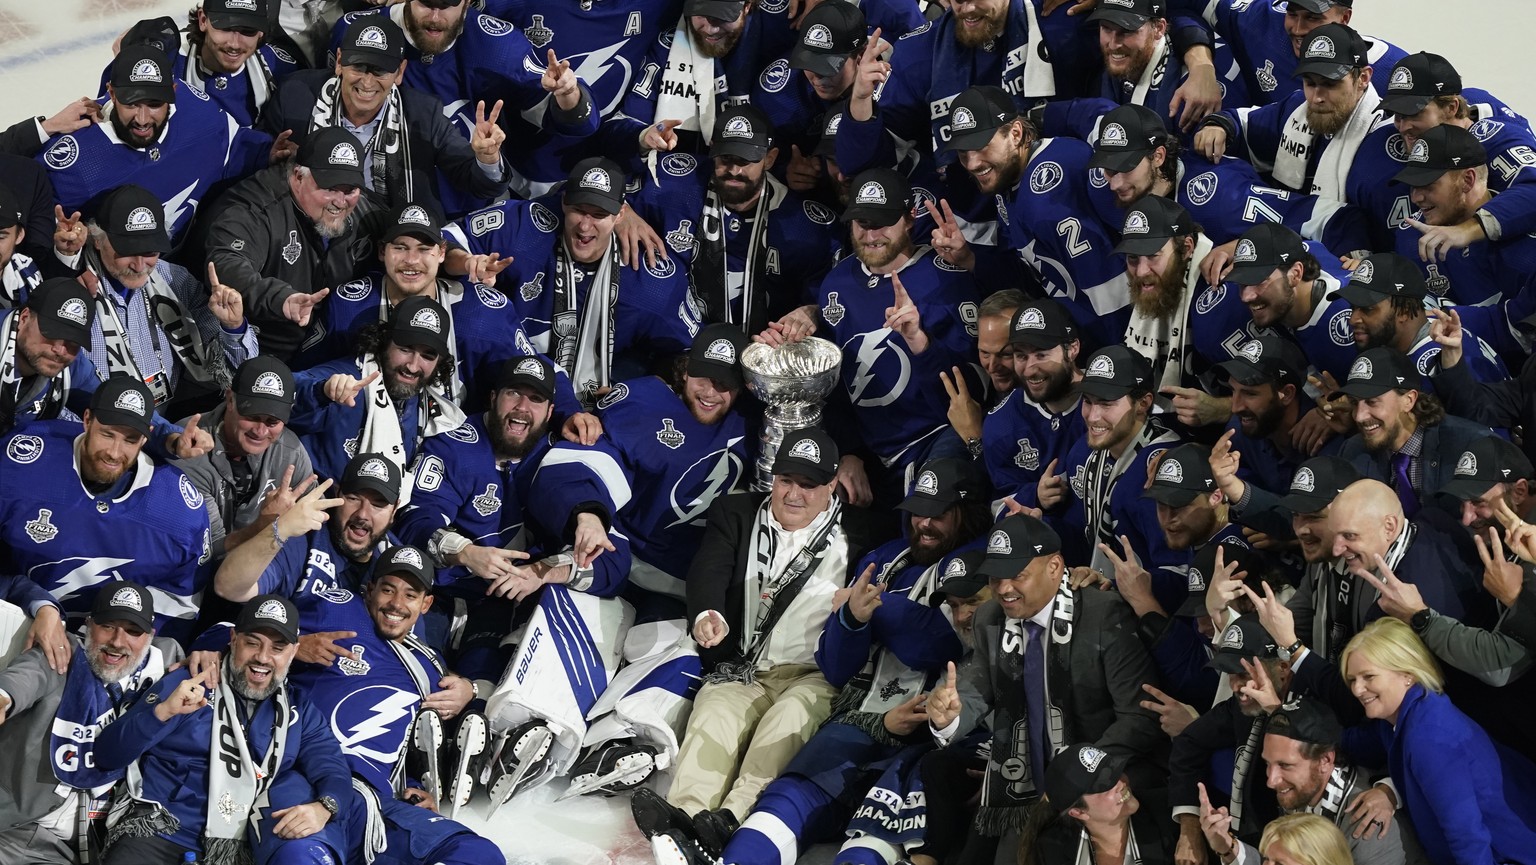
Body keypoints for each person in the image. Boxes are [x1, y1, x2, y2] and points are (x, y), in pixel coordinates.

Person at [690, 458, 982, 865]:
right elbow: (836, 666)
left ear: (965, 513)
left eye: (939, 514)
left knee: (872, 840)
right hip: (861, 717)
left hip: (932, 736)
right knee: (785, 800)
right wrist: (853, 618)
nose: (924, 524)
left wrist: (877, 610)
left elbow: (933, 645)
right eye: (918, 511)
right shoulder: (885, 556)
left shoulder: (979, 565)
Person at [663, 428, 876, 842]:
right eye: (786, 481)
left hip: (813, 676)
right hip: (743, 667)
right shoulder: (737, 512)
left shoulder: (866, 532)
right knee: (712, 717)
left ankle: (731, 820)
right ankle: (683, 823)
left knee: (786, 723)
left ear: (832, 486)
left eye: (809, 485)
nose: (793, 494)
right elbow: (709, 568)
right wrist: (709, 612)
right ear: (772, 477)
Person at [924, 513, 1165, 862]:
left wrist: (1074, 779)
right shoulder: (989, 617)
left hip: (1100, 782)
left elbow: (1139, 717)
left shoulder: (1104, 615)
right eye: (996, 577)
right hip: (1024, 793)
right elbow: (973, 688)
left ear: (1055, 567)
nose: (1004, 588)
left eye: (1018, 575)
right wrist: (948, 715)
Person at [94, 594, 356, 865]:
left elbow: (332, 768)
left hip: (237, 850)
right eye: (252, 643)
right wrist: (162, 713)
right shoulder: (190, 682)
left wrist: (326, 806)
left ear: (293, 652)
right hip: (158, 832)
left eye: (277, 648)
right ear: (233, 639)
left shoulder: (300, 711)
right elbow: (107, 755)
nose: (263, 658)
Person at [773, 167, 981, 509]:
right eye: (862, 223)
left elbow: (975, 386)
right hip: (870, 454)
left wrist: (918, 340)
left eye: (882, 222)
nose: (871, 235)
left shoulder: (946, 278)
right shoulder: (837, 282)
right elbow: (837, 386)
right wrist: (849, 452)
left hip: (935, 438)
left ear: (910, 219)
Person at [286, 545, 502, 862]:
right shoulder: (337, 608)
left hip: (376, 804)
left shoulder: (428, 667)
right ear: (370, 589)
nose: (396, 604)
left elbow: (399, 744)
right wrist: (293, 646)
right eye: (388, 590)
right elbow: (245, 632)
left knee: (479, 855)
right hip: (306, 782)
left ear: (426, 604)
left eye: (410, 595)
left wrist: (469, 689)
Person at [444, 157, 702, 407]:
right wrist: (466, 261)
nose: (585, 227)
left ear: (620, 214)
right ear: (564, 201)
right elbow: (444, 241)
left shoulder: (653, 281)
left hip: (596, 398)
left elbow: (688, 356)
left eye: (599, 214)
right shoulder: (525, 226)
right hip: (506, 376)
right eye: (579, 210)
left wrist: (639, 390)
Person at [0, 377, 211, 643]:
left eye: (130, 440)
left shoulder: (178, 511)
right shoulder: (22, 460)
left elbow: (178, 608)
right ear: (87, 419)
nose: (114, 452)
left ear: (146, 436)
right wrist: (33, 602)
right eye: (107, 434)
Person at [325, 0, 599, 204]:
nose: (435, 17)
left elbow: (579, 122)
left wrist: (567, 93)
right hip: (366, 200)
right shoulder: (358, 32)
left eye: (447, 4)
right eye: (426, 3)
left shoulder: (497, 48)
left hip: (466, 205)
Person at [0, 583, 184, 865]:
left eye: (133, 632)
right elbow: (21, 681)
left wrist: (207, 652)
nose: (118, 642)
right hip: (22, 831)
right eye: (108, 626)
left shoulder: (166, 661)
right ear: (89, 625)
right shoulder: (61, 655)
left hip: (100, 845)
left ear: (150, 637)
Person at [260, 15, 513, 217]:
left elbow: (480, 184)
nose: (367, 82)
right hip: (308, 228)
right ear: (339, 62)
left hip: (391, 238)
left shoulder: (424, 114)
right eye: (358, 66)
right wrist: (269, 155)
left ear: (399, 72)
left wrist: (487, 158)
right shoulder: (297, 96)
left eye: (380, 71)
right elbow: (256, 164)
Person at [938, 86, 1130, 350]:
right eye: (963, 153)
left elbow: (1109, 286)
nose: (972, 163)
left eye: (981, 146)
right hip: (1090, 338)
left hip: (1118, 338)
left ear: (1015, 133)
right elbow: (1033, 274)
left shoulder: (1048, 188)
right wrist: (969, 259)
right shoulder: (1010, 182)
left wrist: (1119, 357)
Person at [626, 104, 841, 336]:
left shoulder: (808, 227)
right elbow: (603, 181)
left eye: (746, 160)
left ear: (770, 159)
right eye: (726, 158)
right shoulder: (673, 183)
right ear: (712, 150)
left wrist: (813, 311)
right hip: (677, 343)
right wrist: (621, 211)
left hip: (765, 350)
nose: (734, 170)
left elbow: (832, 300)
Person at [1339, 617, 1536, 865]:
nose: (1357, 689)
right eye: (1352, 679)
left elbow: (1468, 838)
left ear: (1407, 674)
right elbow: (1361, 743)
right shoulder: (1403, 715)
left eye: (1368, 676)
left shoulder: (1429, 737)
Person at [38, 44, 276, 247]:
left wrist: (269, 152)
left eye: (154, 104)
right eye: (131, 104)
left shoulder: (197, 112)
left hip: (192, 258)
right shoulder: (70, 159)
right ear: (111, 93)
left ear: (174, 92)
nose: (142, 119)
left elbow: (234, 147)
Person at [1194, 25, 1401, 250]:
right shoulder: (1297, 109)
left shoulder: (1383, 147)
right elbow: (1242, 122)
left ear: (1363, 78)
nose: (1316, 97)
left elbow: (1402, 242)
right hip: (1296, 247)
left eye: (1330, 84)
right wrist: (1219, 125)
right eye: (1310, 83)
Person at [69, 184, 258, 414]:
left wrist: (233, 328)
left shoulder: (175, 280)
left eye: (150, 252)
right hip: (92, 428)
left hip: (162, 423)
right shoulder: (74, 285)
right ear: (98, 240)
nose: (139, 266)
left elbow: (237, 375)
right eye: (127, 251)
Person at [198, 125, 378, 361]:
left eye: (350, 189)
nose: (341, 202)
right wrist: (282, 299)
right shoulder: (255, 208)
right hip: (255, 355)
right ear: (298, 176)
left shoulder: (362, 210)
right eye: (330, 188)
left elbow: (406, 231)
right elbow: (227, 263)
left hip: (326, 350)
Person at [1037, 345, 1183, 606]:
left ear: (1144, 404)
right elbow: (1082, 534)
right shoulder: (1084, 451)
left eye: (1106, 403)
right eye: (1088, 401)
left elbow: (1181, 576)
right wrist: (1041, 525)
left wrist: (1112, 586)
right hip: (1107, 601)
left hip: (1153, 615)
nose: (1093, 416)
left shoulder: (1163, 472)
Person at [1390, 123, 1536, 360]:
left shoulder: (1524, 251)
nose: (1416, 197)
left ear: (1467, 180)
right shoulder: (1411, 237)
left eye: (1427, 185)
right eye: (1412, 186)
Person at [288, 294, 464, 490]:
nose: (413, 366)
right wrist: (321, 392)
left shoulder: (431, 400)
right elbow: (286, 388)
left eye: (427, 355)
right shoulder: (351, 378)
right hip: (317, 509)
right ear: (384, 341)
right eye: (405, 349)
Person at [1170, 616, 1294, 849]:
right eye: (1230, 673)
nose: (1236, 686)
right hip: (1245, 842)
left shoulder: (1315, 710)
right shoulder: (1240, 706)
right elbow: (1188, 742)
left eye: (1245, 674)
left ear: (1283, 668)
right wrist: (1190, 825)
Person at [174, 355, 314, 560]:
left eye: (272, 422)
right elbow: (210, 551)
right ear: (230, 399)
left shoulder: (290, 450)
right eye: (252, 416)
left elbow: (315, 516)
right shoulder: (188, 448)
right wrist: (268, 526)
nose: (260, 431)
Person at [1334, 346, 1494, 516]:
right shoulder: (1353, 451)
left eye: (1372, 402)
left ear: (1408, 400)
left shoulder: (1471, 446)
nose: (1359, 416)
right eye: (1354, 403)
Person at [1329, 252, 1506, 387]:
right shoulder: (1433, 339)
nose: (1353, 319)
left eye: (1367, 309)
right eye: (1353, 308)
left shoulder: (1433, 363)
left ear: (1404, 311)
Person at [975, 297, 1086, 512]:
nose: (1030, 369)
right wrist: (1034, 496)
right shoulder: (1001, 425)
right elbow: (1000, 506)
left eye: (1041, 354)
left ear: (1072, 349)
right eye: (1020, 356)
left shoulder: (1110, 398)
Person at [1195, 0, 1406, 105]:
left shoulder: (1395, 73)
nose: (1297, 29)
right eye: (1292, 13)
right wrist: (1200, 66)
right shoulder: (1262, 24)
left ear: (1345, 18)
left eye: (1312, 18)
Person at [1025, 742, 1177, 864]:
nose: (1120, 783)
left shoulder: (1170, 815)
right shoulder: (1052, 849)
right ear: (1079, 812)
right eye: (1105, 786)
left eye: (1116, 771)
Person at [170, 0, 301, 127]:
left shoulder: (282, 69)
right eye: (225, 28)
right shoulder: (168, 63)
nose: (235, 44)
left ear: (262, 30)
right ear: (203, 21)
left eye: (248, 30)